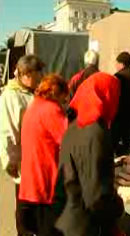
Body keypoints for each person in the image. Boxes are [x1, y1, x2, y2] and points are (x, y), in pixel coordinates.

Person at [54, 72, 125, 236]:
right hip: (84, 225)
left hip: (66, 217)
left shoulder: (74, 125)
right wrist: (117, 206)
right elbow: (96, 197)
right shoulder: (96, 132)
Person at [18, 74, 68, 236]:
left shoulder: (35, 106)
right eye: (63, 98)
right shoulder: (51, 110)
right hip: (45, 179)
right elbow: (68, 141)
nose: (64, 103)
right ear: (56, 93)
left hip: (30, 178)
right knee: (48, 228)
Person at [0, 54, 44, 236]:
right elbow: (7, 133)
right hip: (24, 161)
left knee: (36, 203)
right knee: (25, 205)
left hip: (37, 159)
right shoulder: (11, 96)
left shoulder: (30, 91)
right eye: (38, 74)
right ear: (25, 74)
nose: (41, 77)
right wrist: (11, 161)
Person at [67, 50, 99, 121]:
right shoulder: (103, 77)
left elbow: (70, 98)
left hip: (79, 117)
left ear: (85, 63)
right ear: (97, 62)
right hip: (98, 119)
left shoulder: (76, 78)